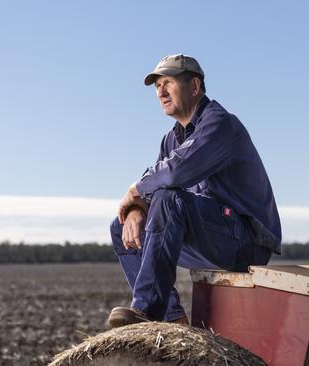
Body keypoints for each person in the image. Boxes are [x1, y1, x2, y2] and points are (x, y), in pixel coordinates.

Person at [108, 54, 281, 327]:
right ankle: (174, 320)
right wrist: (136, 208)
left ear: (195, 86)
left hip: (246, 243)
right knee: (121, 228)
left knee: (170, 200)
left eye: (168, 82)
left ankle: (148, 310)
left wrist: (134, 190)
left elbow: (176, 171)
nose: (161, 91)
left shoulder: (220, 124)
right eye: (157, 86)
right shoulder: (171, 138)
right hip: (208, 236)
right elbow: (157, 185)